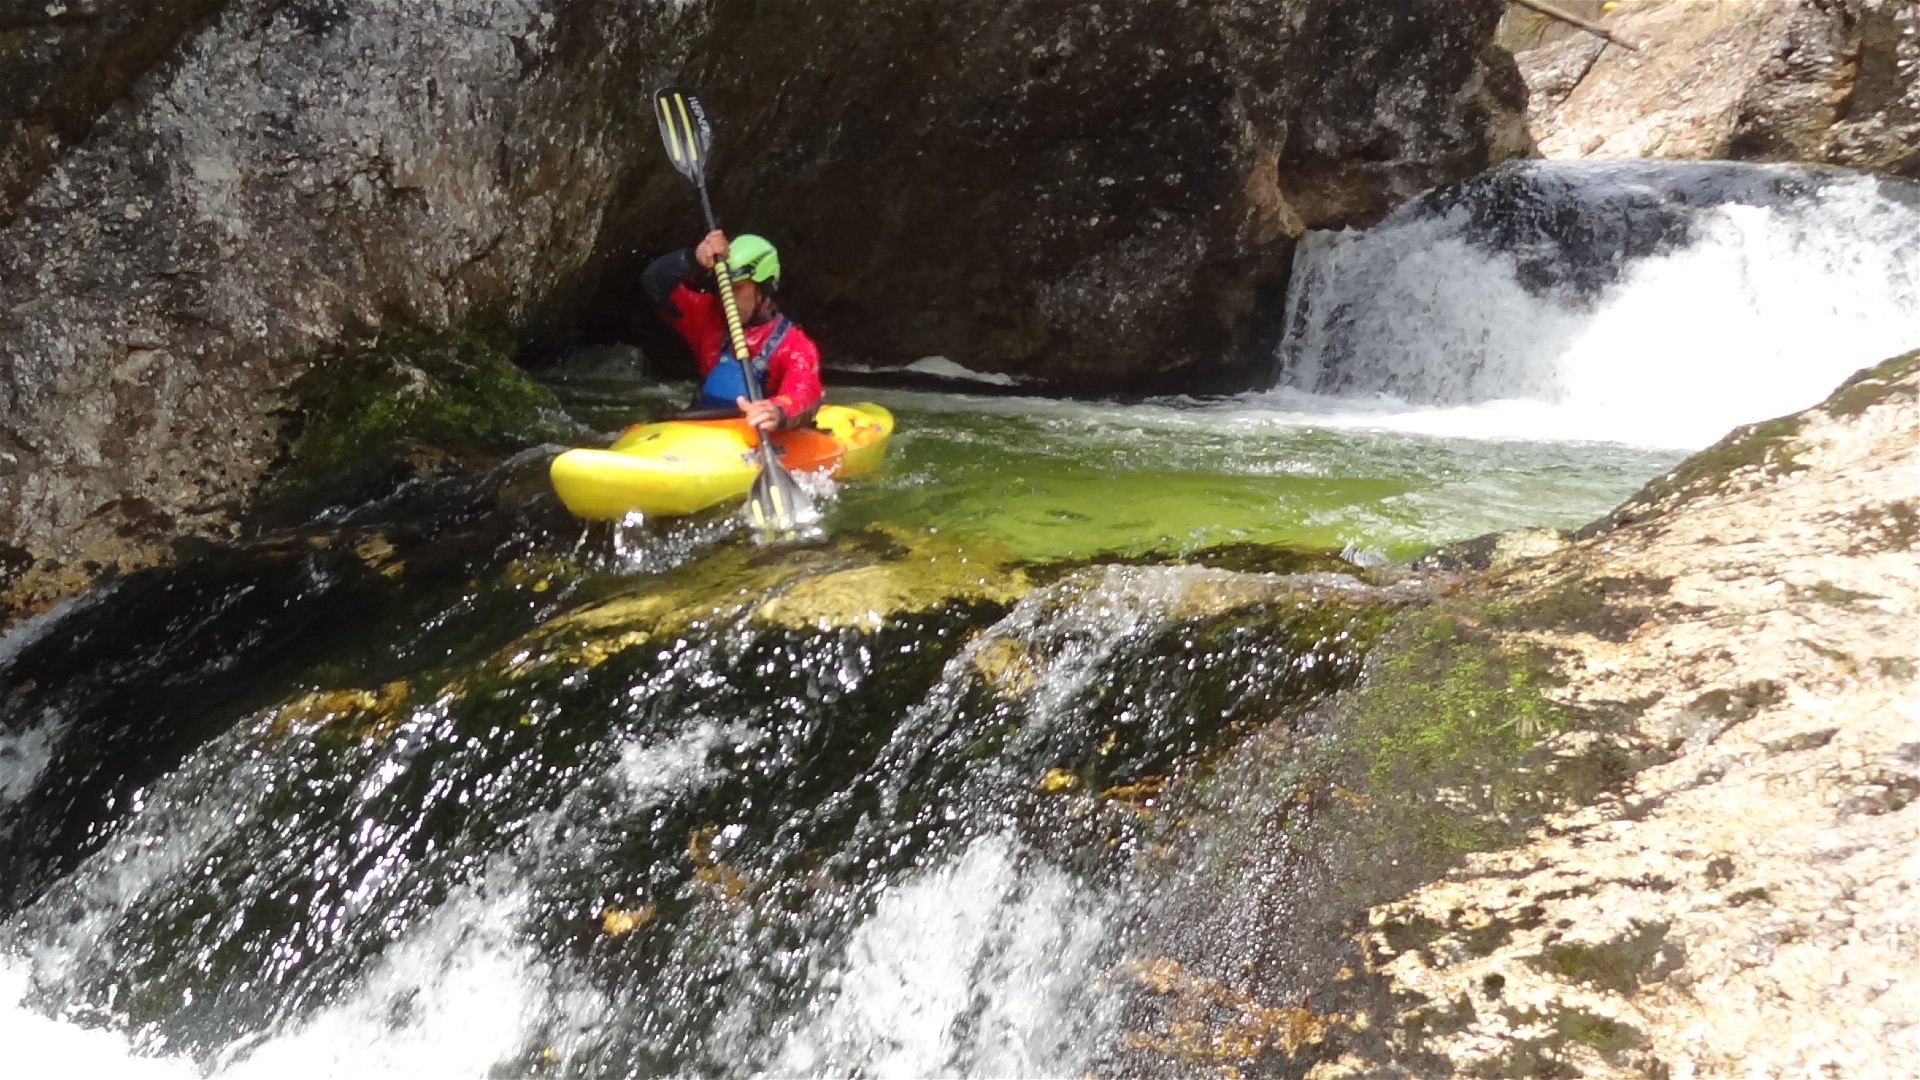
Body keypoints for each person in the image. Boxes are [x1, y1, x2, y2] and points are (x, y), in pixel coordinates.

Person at [640, 230, 822, 432]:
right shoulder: (709, 317)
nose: (728, 299)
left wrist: (777, 412)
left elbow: (804, 393)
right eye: (724, 287)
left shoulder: (794, 346)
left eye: (738, 288)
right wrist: (693, 258)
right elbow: (653, 284)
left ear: (765, 288)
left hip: (752, 435)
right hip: (699, 428)